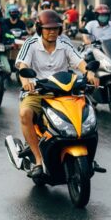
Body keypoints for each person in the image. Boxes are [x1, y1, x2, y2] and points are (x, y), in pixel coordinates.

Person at [16, 10, 99, 179]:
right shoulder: (31, 43)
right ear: (40, 29)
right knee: (25, 114)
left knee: (87, 115)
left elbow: (79, 61)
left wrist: (89, 73)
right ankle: (38, 161)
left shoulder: (65, 43)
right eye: (47, 28)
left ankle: (90, 157)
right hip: (38, 91)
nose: (52, 31)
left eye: (55, 28)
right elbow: (22, 65)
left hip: (65, 90)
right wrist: (26, 82)